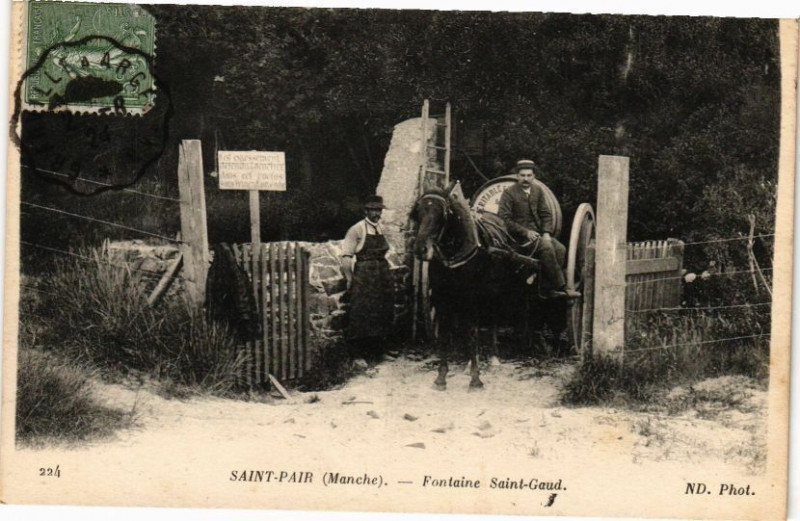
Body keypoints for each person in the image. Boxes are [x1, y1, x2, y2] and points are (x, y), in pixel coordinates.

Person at [498, 159, 578, 299]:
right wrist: (526, 232)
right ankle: (560, 286)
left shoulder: (537, 190)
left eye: (529, 175)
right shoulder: (509, 193)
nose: (526, 179)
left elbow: (545, 214)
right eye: (522, 175)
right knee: (547, 248)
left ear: (534, 176)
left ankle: (546, 287)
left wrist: (546, 233)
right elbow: (505, 219)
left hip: (538, 235)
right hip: (517, 238)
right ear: (517, 176)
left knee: (560, 249)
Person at [340, 195, 394, 350]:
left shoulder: (381, 228)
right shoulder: (356, 229)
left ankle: (380, 349)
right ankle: (360, 352)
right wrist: (349, 278)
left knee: (383, 308)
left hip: (382, 272)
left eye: (379, 210)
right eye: (374, 210)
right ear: (366, 211)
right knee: (363, 310)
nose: (377, 214)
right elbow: (346, 256)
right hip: (364, 274)